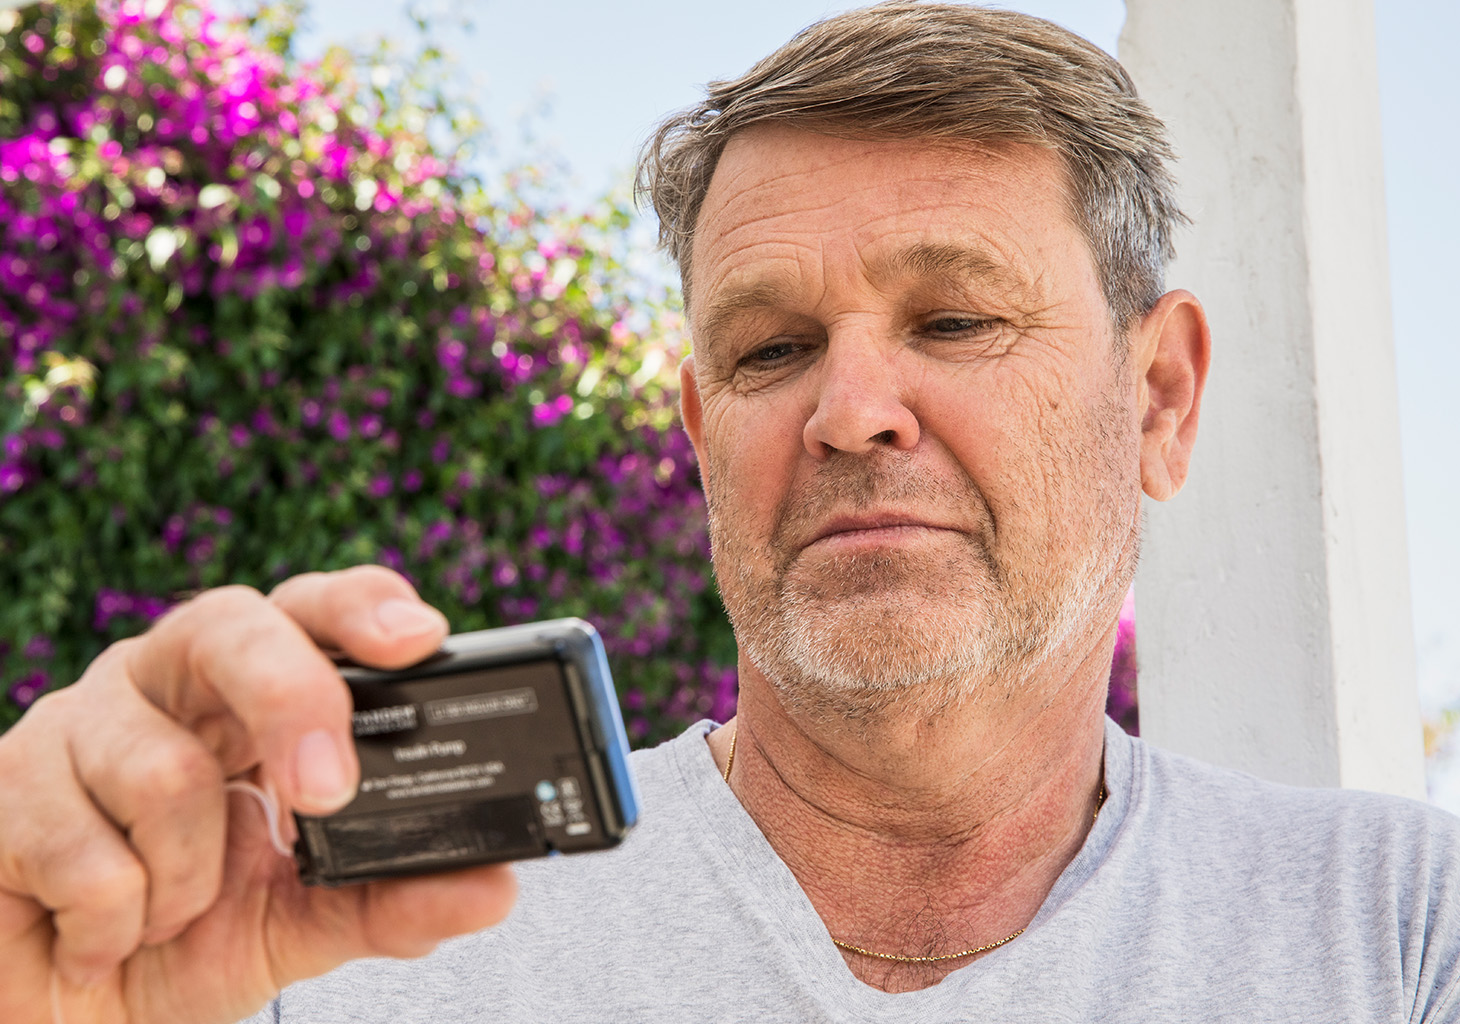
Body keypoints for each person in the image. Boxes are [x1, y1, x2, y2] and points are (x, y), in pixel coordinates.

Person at [2, 3, 1456, 1022]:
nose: (849, 410)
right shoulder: (327, 952)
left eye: (953, 318)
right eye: (769, 348)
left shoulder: (1396, 935)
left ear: (1158, 399)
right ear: (702, 438)